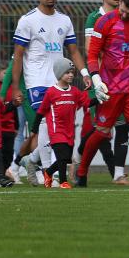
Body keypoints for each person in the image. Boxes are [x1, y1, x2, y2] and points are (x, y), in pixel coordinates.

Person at [11, 0, 91, 186]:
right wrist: (15, 87)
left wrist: (84, 73)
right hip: (36, 81)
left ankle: (25, 162)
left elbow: (73, 50)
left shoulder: (64, 20)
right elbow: (18, 56)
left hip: (59, 81)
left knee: (56, 129)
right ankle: (53, 175)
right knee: (47, 127)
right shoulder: (28, 20)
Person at [76, 0, 129, 188]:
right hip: (110, 88)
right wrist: (96, 79)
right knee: (101, 131)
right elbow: (92, 55)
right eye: (123, 9)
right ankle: (82, 172)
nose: (125, 14)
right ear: (119, 4)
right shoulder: (104, 22)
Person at [80, 0, 125, 184]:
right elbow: (92, 50)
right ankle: (76, 164)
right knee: (99, 130)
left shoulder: (124, 17)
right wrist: (95, 77)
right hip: (102, 81)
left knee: (124, 126)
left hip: (123, 82)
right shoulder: (94, 18)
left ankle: (118, 174)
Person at [38, 58, 94, 189]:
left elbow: (86, 102)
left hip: (69, 131)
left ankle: (48, 172)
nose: (71, 75)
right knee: (62, 156)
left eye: (72, 72)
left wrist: (100, 99)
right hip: (56, 130)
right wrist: (35, 128)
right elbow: (41, 110)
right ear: (59, 74)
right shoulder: (51, 91)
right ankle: (63, 181)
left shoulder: (74, 91)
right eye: (67, 72)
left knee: (66, 158)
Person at [0, 60, 38, 185]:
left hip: (28, 97)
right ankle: (22, 166)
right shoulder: (21, 51)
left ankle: (17, 166)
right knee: (32, 133)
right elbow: (11, 71)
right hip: (25, 98)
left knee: (34, 133)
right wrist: (2, 96)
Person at [0, 64, 20, 183]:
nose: (7, 76)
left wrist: (16, 126)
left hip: (10, 128)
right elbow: (2, 108)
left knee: (8, 155)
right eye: (5, 73)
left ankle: (3, 175)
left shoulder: (12, 89)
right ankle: (0, 177)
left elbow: (14, 108)